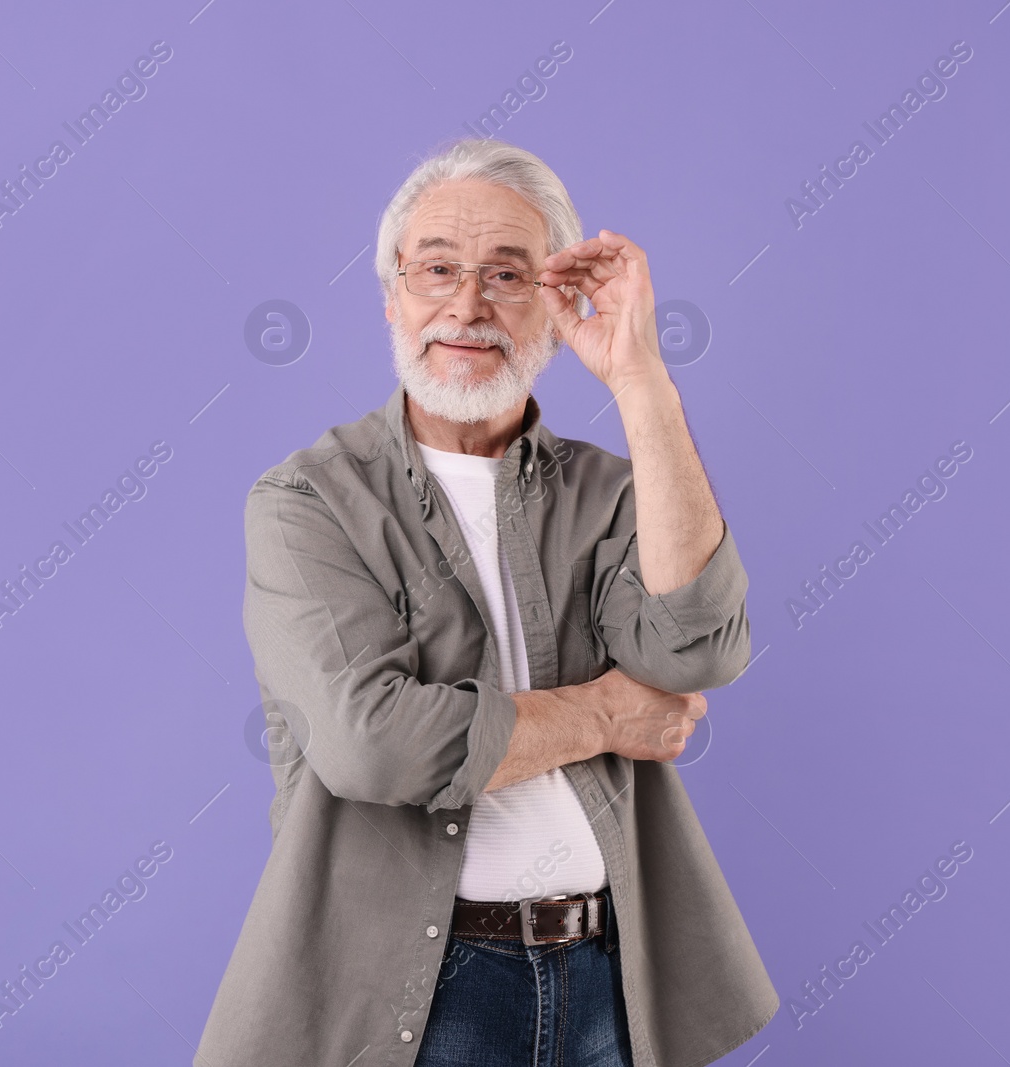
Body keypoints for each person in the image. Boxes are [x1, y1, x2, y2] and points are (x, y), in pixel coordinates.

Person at [193, 137, 778, 1067]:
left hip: (605, 978)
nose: (467, 306)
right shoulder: (308, 500)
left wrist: (640, 380)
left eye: (508, 275)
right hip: (419, 994)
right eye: (437, 270)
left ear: (556, 306)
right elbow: (373, 743)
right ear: (392, 294)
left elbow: (699, 646)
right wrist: (604, 713)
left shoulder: (613, 493)